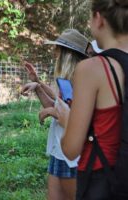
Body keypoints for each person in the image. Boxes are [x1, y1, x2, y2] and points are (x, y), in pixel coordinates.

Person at [56, 0, 128, 199]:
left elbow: (71, 149)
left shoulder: (93, 69)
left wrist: (66, 119)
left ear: (98, 19)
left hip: (101, 182)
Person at [21, 29, 89, 200]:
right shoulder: (66, 80)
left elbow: (75, 120)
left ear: (68, 54)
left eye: (58, 49)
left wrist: (51, 111)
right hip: (58, 150)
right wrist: (37, 85)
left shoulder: (83, 80)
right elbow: (57, 105)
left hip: (73, 156)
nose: (55, 53)